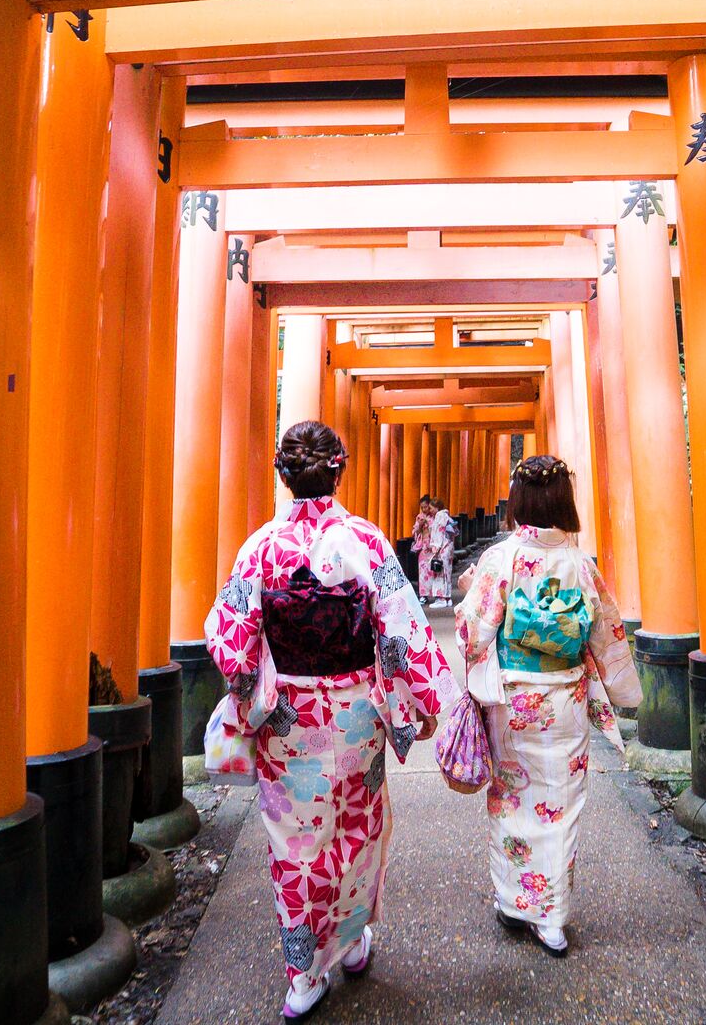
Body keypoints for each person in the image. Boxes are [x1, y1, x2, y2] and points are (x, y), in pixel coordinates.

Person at [205, 421, 458, 1018]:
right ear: (338, 469)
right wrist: (421, 706)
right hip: (354, 715)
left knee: (294, 844)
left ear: (283, 474)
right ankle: (349, 945)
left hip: (288, 718)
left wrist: (251, 695)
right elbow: (403, 632)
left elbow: (232, 646)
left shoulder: (259, 548)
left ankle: (302, 975)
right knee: (357, 830)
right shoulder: (367, 543)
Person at [454, 454, 640, 956]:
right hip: (566, 701)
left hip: (513, 703)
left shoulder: (500, 560)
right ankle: (551, 916)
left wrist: (471, 593)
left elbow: (471, 636)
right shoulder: (581, 564)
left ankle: (516, 903)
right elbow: (607, 635)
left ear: (517, 501)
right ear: (564, 501)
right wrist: (625, 694)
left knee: (512, 798)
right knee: (559, 805)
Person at [415, 497, 459, 606]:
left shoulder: (439, 516)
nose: (428, 510)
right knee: (446, 572)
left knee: (439, 573)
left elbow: (438, 534)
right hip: (448, 547)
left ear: (436, 508)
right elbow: (455, 531)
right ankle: (447, 598)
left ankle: (441, 599)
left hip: (441, 548)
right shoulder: (446, 516)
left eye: (430, 507)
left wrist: (436, 547)